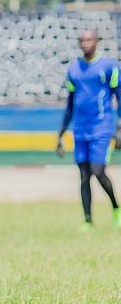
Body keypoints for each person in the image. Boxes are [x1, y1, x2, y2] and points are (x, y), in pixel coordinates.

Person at [57, 29, 121, 229]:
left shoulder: (109, 67)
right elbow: (70, 103)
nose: (85, 44)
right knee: (84, 175)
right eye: (82, 40)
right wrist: (61, 131)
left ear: (96, 42)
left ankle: (116, 208)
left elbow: (118, 96)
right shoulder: (74, 70)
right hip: (80, 129)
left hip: (101, 127)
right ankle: (88, 221)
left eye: (89, 40)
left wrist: (119, 126)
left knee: (98, 171)